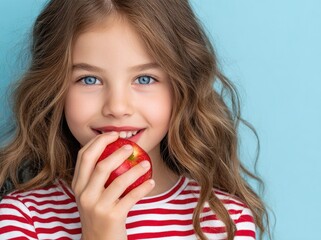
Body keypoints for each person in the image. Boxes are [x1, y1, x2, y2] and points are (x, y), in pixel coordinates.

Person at [0, 0, 270, 239]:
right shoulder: (22, 218)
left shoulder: (224, 220)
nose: (117, 107)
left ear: (182, 88)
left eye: (145, 79)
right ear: (54, 89)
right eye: (89, 79)